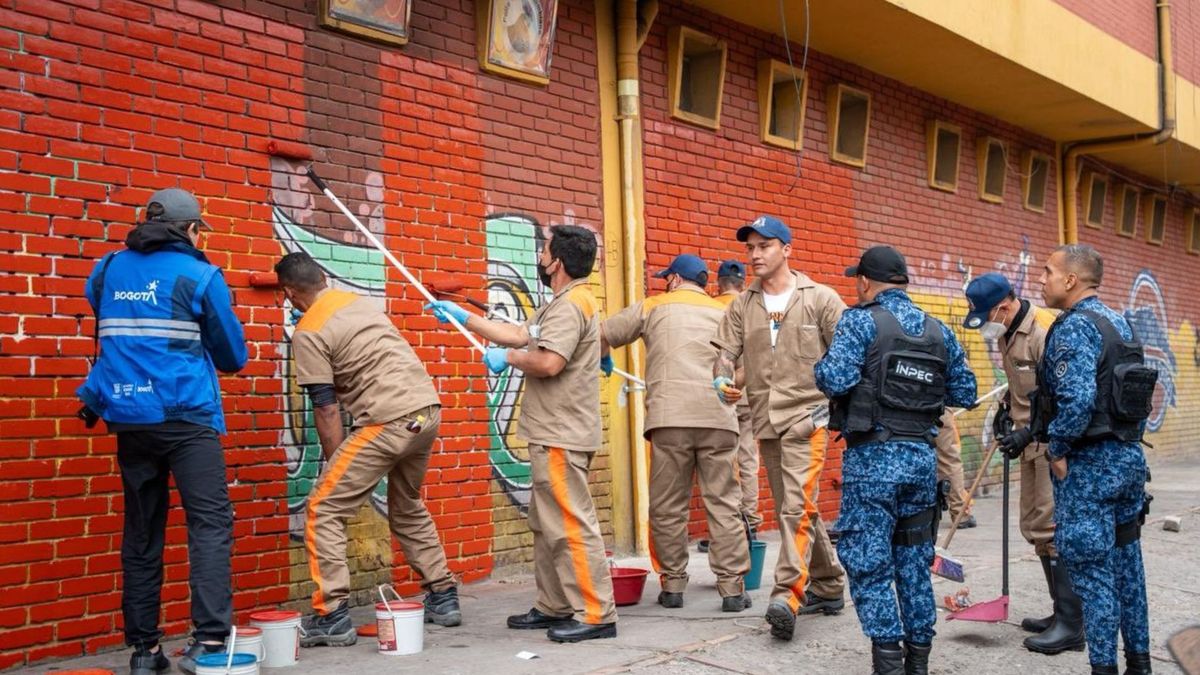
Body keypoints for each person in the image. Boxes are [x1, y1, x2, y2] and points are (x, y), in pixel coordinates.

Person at [76, 189, 247, 675]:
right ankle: (209, 639)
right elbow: (233, 357)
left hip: (129, 417)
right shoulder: (200, 275)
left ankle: (144, 652)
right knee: (209, 525)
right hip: (186, 417)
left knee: (142, 530)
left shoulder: (108, 269)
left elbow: (109, 319)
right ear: (191, 229)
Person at [425, 225, 617, 642]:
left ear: (557, 263)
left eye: (544, 251)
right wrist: (464, 317)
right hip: (552, 431)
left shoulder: (571, 305)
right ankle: (554, 605)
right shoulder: (563, 302)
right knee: (546, 524)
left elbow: (548, 362)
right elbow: (520, 334)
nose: (539, 258)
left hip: (562, 434)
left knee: (570, 524)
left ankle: (596, 612)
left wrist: (508, 358)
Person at [275, 252, 462, 648]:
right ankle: (443, 595)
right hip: (426, 411)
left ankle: (332, 615)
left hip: (387, 420)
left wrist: (335, 466)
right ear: (322, 277)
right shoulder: (356, 302)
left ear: (289, 293)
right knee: (407, 504)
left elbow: (326, 408)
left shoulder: (308, 331)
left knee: (323, 507)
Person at [815, 245, 977, 675]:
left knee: (868, 562)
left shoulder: (860, 321)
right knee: (913, 565)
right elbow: (966, 391)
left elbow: (834, 378)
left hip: (872, 463)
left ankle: (888, 661)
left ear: (864, 281)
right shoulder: (938, 330)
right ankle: (917, 661)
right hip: (922, 463)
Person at [711, 216, 848, 642]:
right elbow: (725, 354)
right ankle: (829, 584)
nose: (755, 255)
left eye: (764, 246)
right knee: (797, 505)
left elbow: (847, 359)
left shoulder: (820, 298)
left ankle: (787, 596)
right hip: (766, 420)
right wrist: (722, 379)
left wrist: (832, 410)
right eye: (750, 248)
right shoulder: (741, 305)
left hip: (809, 418)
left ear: (786, 249)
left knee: (794, 507)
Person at [601, 254, 751, 612]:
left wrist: (603, 357)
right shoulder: (726, 312)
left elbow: (602, 333)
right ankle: (732, 589)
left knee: (668, 505)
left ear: (675, 279)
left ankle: (672, 586)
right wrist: (730, 388)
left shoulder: (654, 306)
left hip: (670, 420)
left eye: (667, 278)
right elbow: (751, 365)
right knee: (724, 504)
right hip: (718, 420)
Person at [1028, 245, 1153, 675]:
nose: (1040, 279)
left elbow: (1078, 400)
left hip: (1090, 468)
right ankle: (1139, 664)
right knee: (1128, 572)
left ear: (1070, 280)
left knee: (1094, 576)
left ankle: (1104, 668)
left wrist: (1058, 449)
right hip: (1127, 460)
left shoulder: (1075, 327)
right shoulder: (1119, 323)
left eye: (1048, 271)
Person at [963, 271, 1084, 654]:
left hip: (1051, 444)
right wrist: (1006, 412)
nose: (986, 325)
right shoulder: (1007, 331)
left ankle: (1073, 624)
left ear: (1004, 306)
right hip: (1030, 440)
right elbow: (1021, 386)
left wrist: (1030, 432)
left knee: (1051, 528)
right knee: (1033, 526)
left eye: (986, 315)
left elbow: (1063, 396)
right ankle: (1060, 612)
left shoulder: (1044, 332)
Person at [715, 260, 763, 537]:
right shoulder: (752, 309)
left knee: (724, 460)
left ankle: (730, 526)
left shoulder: (713, 308)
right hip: (750, 395)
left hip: (723, 394)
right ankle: (751, 521)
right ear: (743, 283)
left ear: (718, 283)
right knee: (748, 458)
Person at [934, 411, 974, 528]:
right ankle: (960, 514)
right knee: (949, 460)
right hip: (936, 410)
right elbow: (964, 399)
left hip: (898, 414)